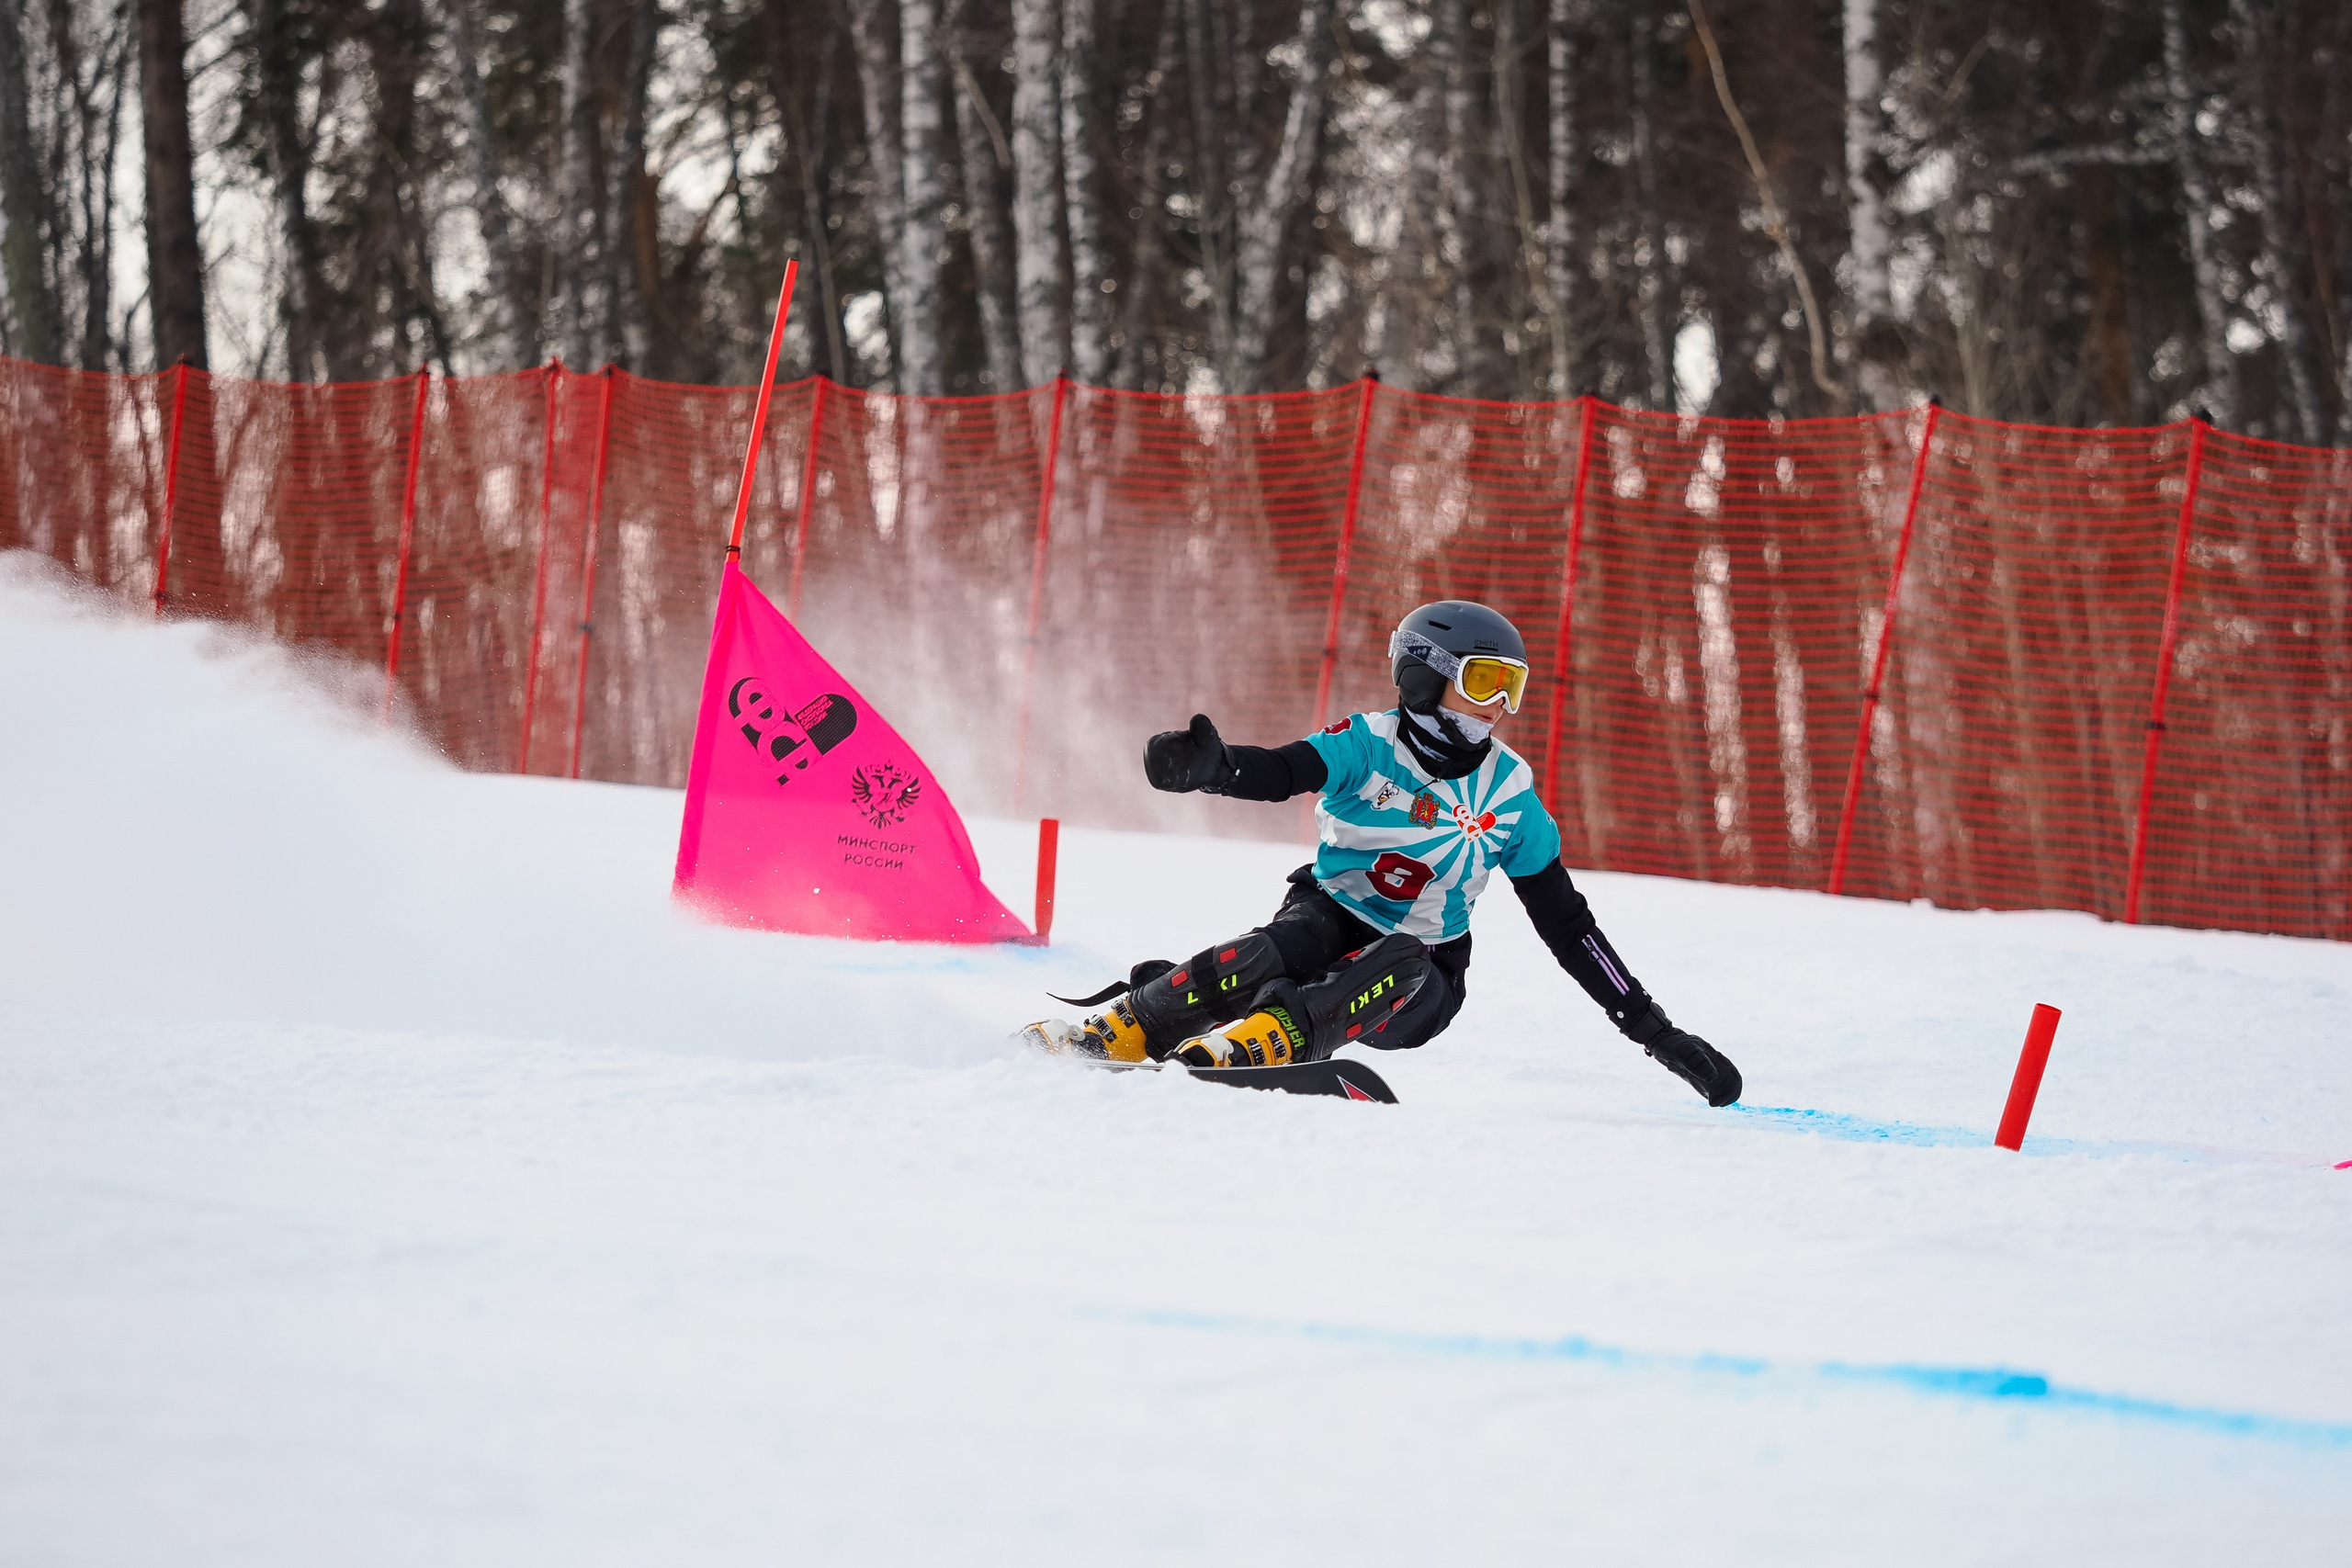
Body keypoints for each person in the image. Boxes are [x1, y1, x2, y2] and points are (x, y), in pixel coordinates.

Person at [1022, 600, 1742, 1107]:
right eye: (1485, 680)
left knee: (1398, 952)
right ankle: (1125, 1028)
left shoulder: (1512, 795)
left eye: (1512, 688)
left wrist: (1656, 1031)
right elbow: (1285, 770)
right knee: (1267, 950)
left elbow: (1569, 927)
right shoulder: (1369, 743)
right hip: (1326, 918)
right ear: (1426, 676)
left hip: (1421, 981)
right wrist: (1217, 769)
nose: (1498, 705)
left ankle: (1269, 1040)